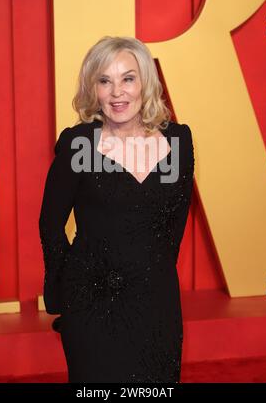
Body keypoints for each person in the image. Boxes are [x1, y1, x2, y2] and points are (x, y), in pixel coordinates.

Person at [38, 36, 195, 383]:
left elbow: (175, 226)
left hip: (155, 301)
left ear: (145, 83)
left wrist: (153, 275)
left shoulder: (178, 142)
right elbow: (50, 224)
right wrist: (67, 290)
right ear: (93, 88)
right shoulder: (78, 144)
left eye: (128, 78)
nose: (117, 92)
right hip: (90, 303)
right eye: (104, 81)